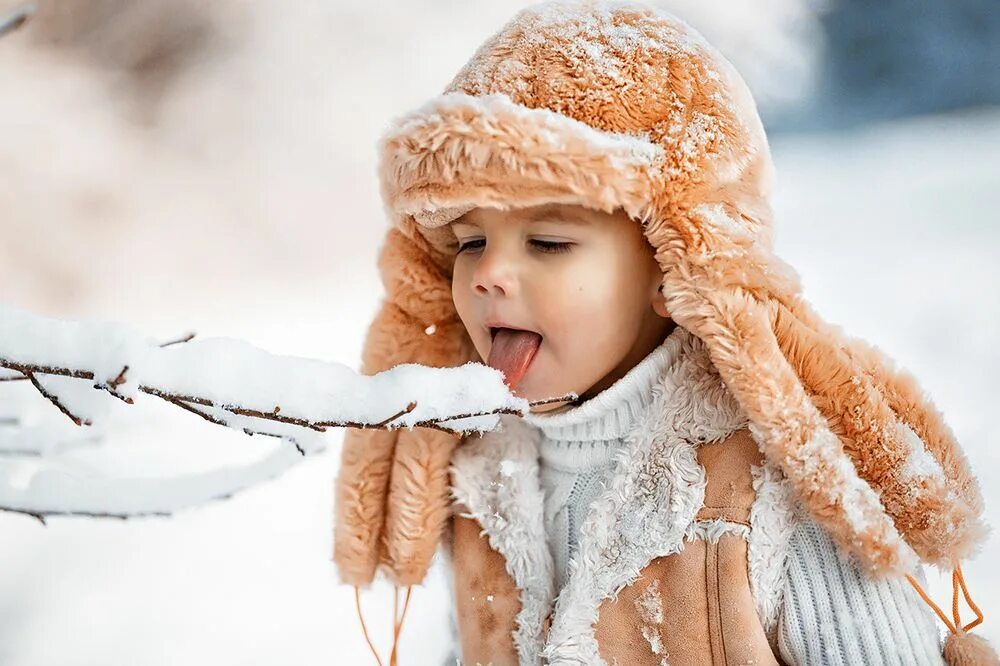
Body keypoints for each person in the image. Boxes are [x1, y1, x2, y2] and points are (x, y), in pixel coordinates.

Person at [333, 2, 996, 664]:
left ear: (671, 266)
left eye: (549, 241)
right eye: (470, 240)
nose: (490, 273)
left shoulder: (769, 496)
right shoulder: (480, 475)